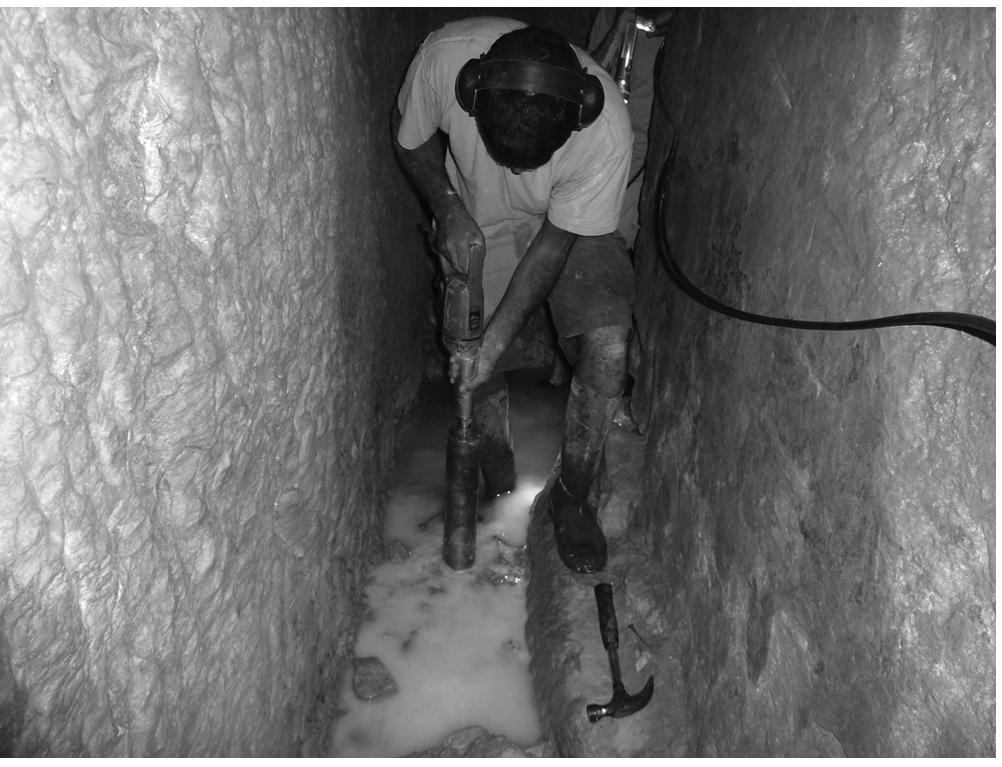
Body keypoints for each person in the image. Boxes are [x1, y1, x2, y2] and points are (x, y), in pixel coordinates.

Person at [392, 17, 635, 574]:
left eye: (531, 160)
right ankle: (495, 470)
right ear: (471, 95)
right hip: (477, 213)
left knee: (607, 345)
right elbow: (408, 138)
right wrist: (446, 205)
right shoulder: (441, 63)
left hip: (570, 223)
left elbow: (551, 250)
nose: (517, 170)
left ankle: (571, 497)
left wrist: (499, 340)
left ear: (581, 115)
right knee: (467, 343)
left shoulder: (605, 133)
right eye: (504, 154)